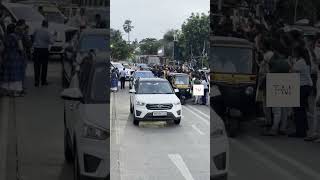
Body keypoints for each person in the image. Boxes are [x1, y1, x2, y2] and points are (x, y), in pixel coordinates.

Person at [290, 47, 313, 138]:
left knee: (298, 110)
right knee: (302, 109)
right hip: (305, 86)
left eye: (294, 51)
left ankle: (300, 131)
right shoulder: (305, 61)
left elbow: (291, 70)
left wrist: (290, 61)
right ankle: (303, 129)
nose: (292, 53)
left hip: (301, 87)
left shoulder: (300, 62)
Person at [0, 24, 25, 97]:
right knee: (16, 73)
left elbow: (1, 49)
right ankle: (15, 91)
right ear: (14, 29)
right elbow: (21, 48)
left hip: (7, 57)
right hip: (15, 57)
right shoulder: (17, 37)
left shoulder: (5, 38)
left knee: (7, 73)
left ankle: (7, 90)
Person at [32, 20, 53, 87]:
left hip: (36, 49)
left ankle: (36, 81)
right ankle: (43, 81)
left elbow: (33, 37)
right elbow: (51, 42)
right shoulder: (48, 32)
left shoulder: (36, 30)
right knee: (44, 66)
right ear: (47, 25)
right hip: (44, 50)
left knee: (36, 66)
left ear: (42, 24)